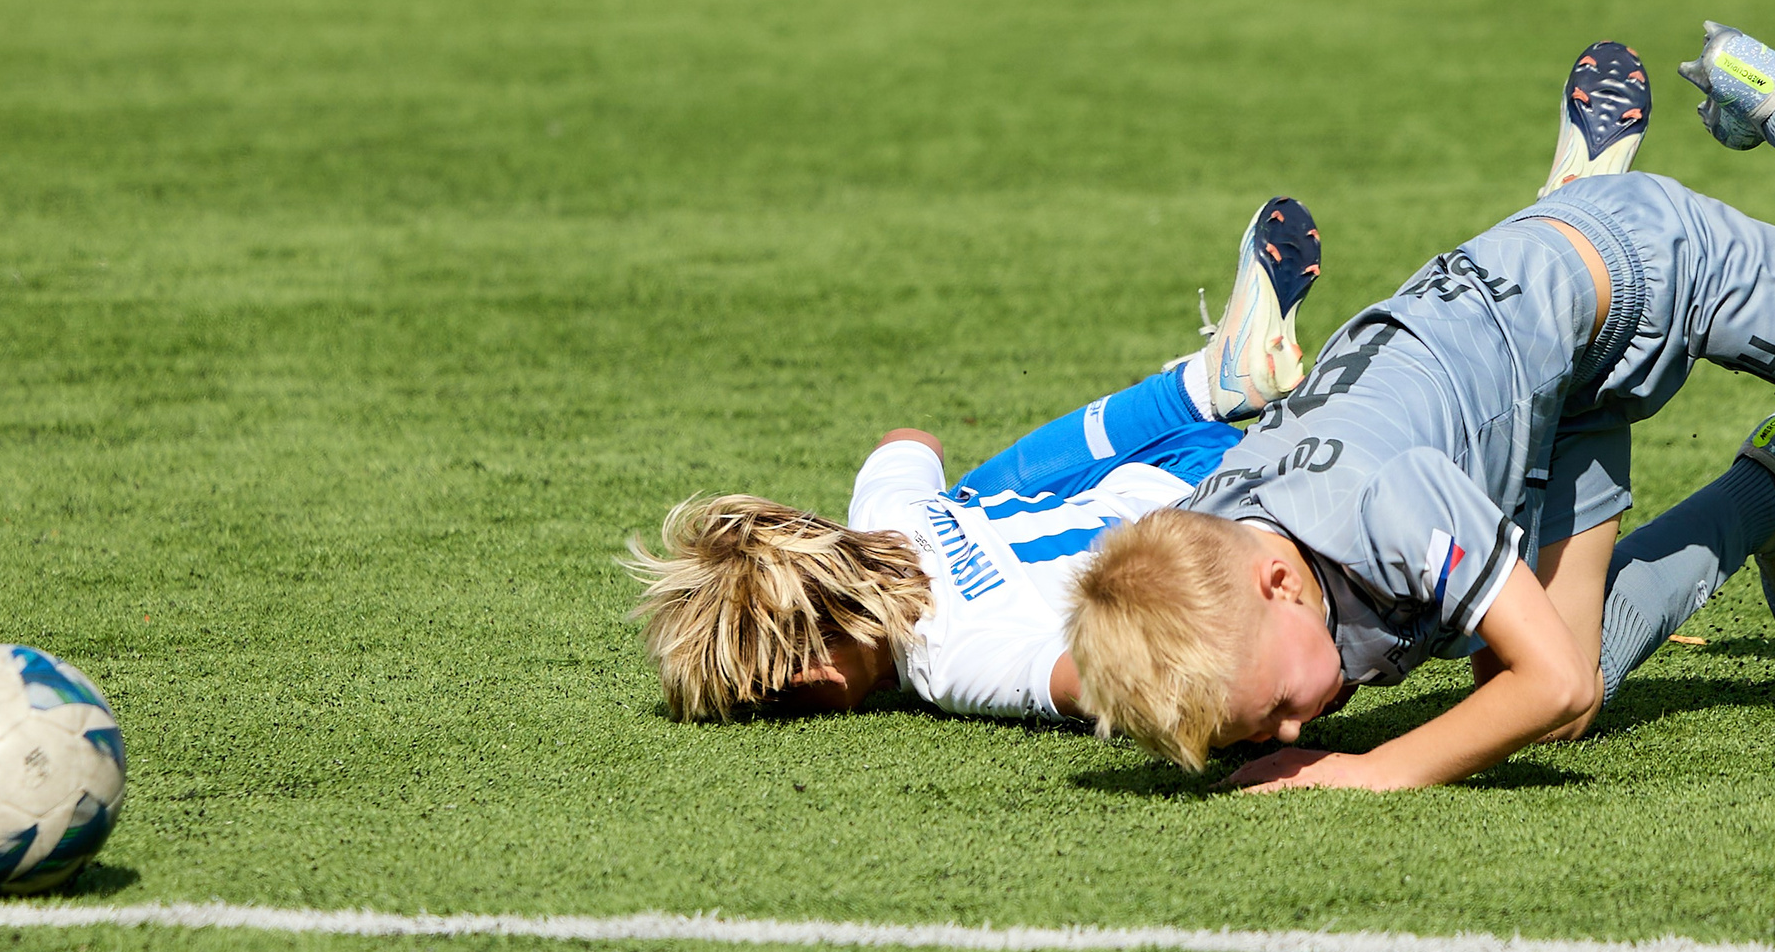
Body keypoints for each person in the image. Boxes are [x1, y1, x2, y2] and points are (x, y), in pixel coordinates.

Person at [1067, 21, 1775, 791]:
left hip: (1647, 268)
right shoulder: (1208, 546)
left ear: (1278, 581)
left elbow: (1548, 677)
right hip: (1546, 376)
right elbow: (1100, 645)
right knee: (1561, 711)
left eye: (1276, 705)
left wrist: (1368, 769)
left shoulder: (1386, 503)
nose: (1284, 728)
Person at [621, 42, 1658, 723]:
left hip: (1254, 519)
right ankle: (1216, 379)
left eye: (784, 704)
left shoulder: (950, 660)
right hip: (1222, 465)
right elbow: (906, 444)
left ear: (810, 672)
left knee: (1517, 577)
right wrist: (926, 523)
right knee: (1451, 368)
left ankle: (1560, 238)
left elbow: (1110, 686)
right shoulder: (894, 521)